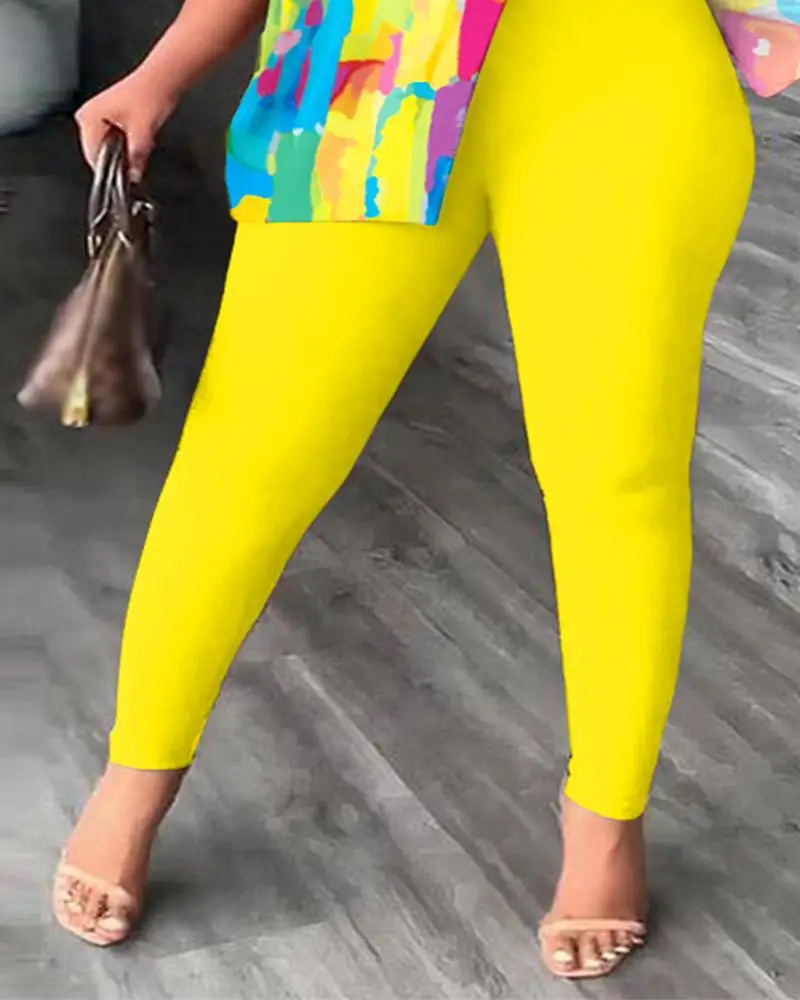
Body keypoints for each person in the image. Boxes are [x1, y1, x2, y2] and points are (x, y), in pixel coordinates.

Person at [52, 0, 755, 979]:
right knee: (249, 451)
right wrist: (162, 72)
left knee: (617, 471)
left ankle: (606, 816)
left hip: (625, 61)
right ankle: (136, 774)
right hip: (363, 62)